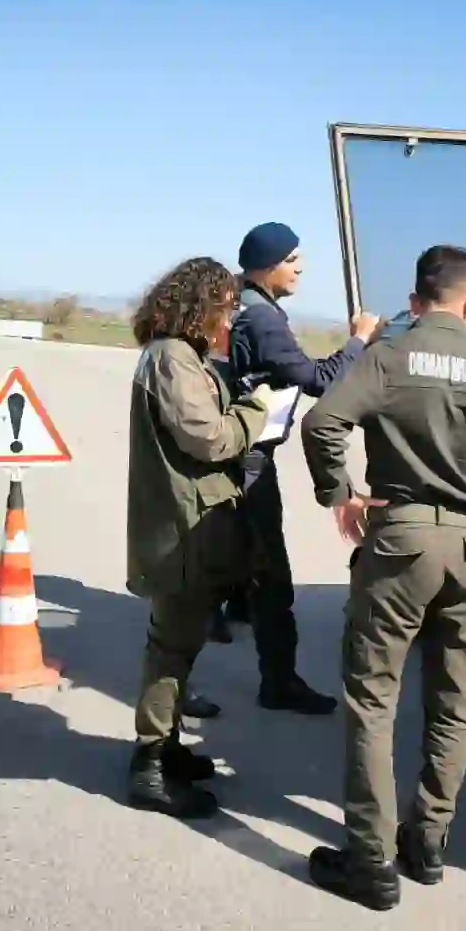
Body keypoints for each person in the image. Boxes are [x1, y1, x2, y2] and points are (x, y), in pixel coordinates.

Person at [298, 245, 466, 910]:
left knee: (374, 701)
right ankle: (429, 841)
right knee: (454, 702)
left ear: (415, 303)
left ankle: (370, 859)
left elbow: (323, 422)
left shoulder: (389, 356)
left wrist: (342, 494)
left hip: (401, 541)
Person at [125, 256, 272, 818]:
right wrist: (257, 412)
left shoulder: (179, 356)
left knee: (180, 644)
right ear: (199, 308)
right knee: (170, 647)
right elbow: (208, 438)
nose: (229, 323)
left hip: (190, 520)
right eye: (225, 310)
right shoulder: (170, 359)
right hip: (182, 527)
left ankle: (168, 749)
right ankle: (150, 766)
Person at [225, 221, 382, 715]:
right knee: (272, 578)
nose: (301, 268)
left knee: (228, 561)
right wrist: (358, 341)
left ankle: (227, 612)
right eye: (293, 261)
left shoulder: (241, 306)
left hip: (234, 456)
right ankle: (279, 682)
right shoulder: (262, 320)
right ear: (269, 267)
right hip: (249, 462)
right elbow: (317, 380)